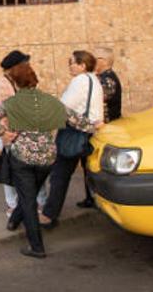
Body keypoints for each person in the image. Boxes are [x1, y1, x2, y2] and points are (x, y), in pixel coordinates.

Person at [0, 61, 96, 258]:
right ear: (35, 81)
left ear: (16, 83)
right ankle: (13, 221)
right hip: (47, 158)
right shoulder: (51, 101)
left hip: (22, 158)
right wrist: (97, 125)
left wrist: (3, 133)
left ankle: (36, 247)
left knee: (28, 199)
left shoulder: (13, 103)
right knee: (31, 192)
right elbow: (80, 122)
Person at [41, 50, 104, 229]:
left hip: (74, 132)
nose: (70, 66)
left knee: (60, 174)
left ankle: (49, 215)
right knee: (89, 171)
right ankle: (95, 201)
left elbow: (63, 108)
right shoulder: (94, 80)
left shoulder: (80, 81)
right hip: (90, 131)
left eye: (72, 62)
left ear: (82, 65)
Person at [0, 50, 47, 217]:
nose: (28, 66)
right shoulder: (3, 85)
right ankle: (13, 205)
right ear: (15, 67)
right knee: (12, 171)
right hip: (10, 133)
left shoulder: (19, 79)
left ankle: (39, 202)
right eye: (25, 64)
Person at [76, 46, 123, 209]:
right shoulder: (100, 78)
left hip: (103, 132)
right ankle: (92, 197)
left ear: (102, 61)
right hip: (99, 131)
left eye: (94, 58)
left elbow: (89, 100)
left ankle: (96, 198)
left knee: (96, 165)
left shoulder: (106, 80)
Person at [95, 47, 122, 123]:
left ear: (105, 61)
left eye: (95, 58)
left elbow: (96, 99)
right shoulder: (102, 77)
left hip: (108, 125)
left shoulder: (108, 79)